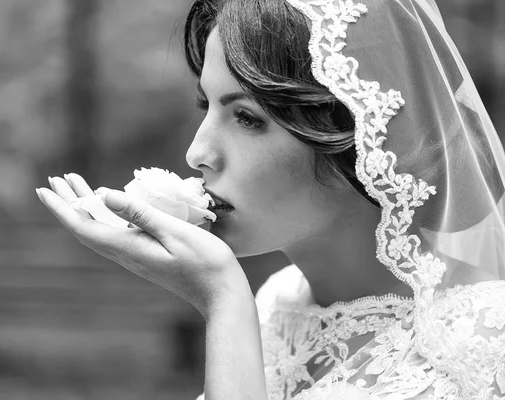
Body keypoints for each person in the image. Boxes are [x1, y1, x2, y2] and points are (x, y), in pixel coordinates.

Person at [36, 0, 505, 398]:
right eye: (207, 105)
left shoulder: (481, 343)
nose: (197, 153)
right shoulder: (279, 303)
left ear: (363, 138)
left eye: (246, 118)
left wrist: (221, 299)